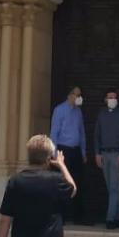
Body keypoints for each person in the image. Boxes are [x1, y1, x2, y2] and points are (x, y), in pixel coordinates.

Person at [94, 88, 119, 229]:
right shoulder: (101, 115)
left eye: (114, 97)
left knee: (115, 188)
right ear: (105, 99)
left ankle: (110, 219)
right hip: (104, 154)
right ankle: (117, 217)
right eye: (110, 97)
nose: (112, 100)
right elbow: (97, 136)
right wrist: (97, 153)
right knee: (110, 188)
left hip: (117, 155)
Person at [49, 86, 86, 223]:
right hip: (63, 150)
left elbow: (81, 133)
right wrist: (54, 153)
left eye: (80, 95)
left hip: (76, 150)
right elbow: (54, 132)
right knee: (63, 182)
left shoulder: (78, 112)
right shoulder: (60, 110)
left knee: (78, 182)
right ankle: (61, 215)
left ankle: (77, 216)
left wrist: (83, 151)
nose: (79, 98)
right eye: (77, 95)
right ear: (70, 95)